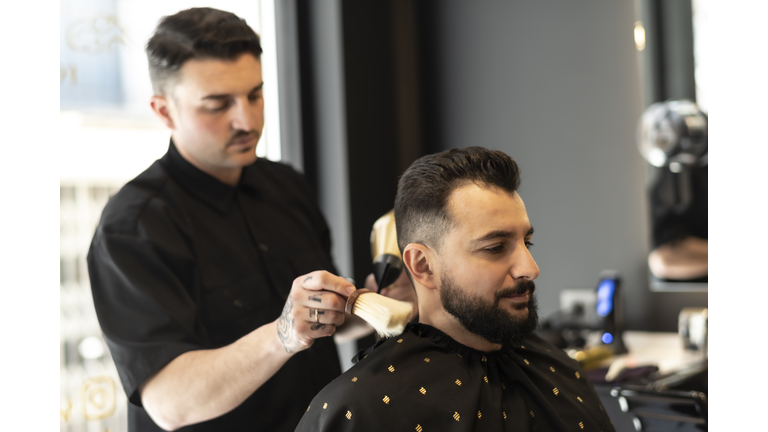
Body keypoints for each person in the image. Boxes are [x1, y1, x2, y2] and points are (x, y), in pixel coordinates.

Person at [87, 7, 411, 432]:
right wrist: (282, 334)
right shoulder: (133, 228)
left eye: (254, 95)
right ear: (164, 111)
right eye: (218, 104)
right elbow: (170, 402)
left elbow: (323, 325)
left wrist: (370, 301)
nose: (247, 120)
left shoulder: (286, 186)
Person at [295, 147, 616, 432]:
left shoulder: (556, 367)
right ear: (422, 265)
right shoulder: (360, 408)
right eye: (495, 247)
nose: (531, 269)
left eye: (526, 242)